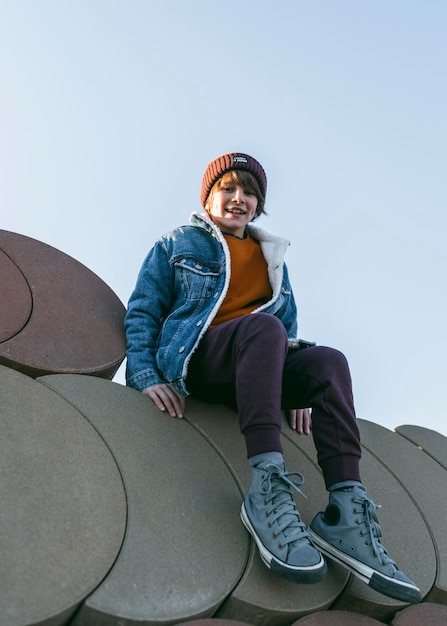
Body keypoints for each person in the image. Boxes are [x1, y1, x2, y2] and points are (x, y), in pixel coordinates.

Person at [125, 152, 421, 602]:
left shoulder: (273, 258)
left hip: (255, 361)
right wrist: (146, 375)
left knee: (329, 361)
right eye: (228, 188)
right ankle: (266, 487)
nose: (239, 198)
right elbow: (144, 310)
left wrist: (293, 393)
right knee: (266, 329)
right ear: (208, 197)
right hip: (199, 360)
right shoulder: (179, 242)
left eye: (249, 192)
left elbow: (289, 329)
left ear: (258, 205)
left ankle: (346, 512)